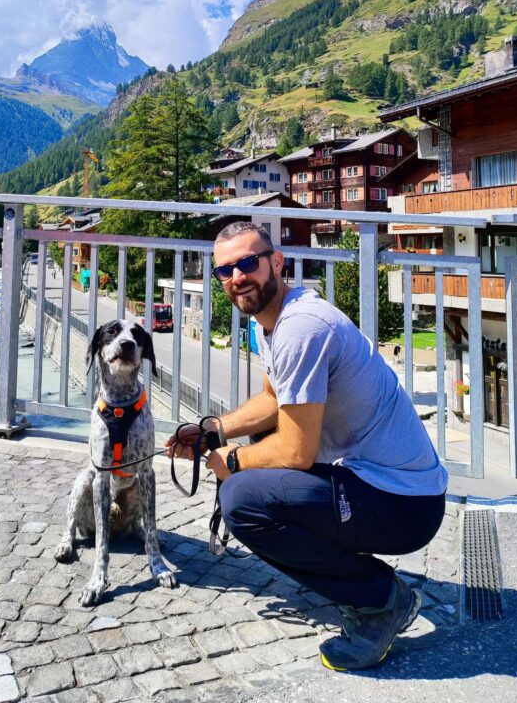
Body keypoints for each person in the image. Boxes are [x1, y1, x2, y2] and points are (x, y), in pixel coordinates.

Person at [168, 221, 447, 672]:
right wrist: (213, 430)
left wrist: (230, 460)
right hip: (377, 484)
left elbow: (296, 452)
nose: (237, 277)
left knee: (242, 499)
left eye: (248, 262)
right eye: (225, 270)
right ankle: (355, 578)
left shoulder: (301, 328)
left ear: (276, 262)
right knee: (258, 454)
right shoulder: (270, 322)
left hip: (405, 504)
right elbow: (273, 400)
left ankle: (381, 600)